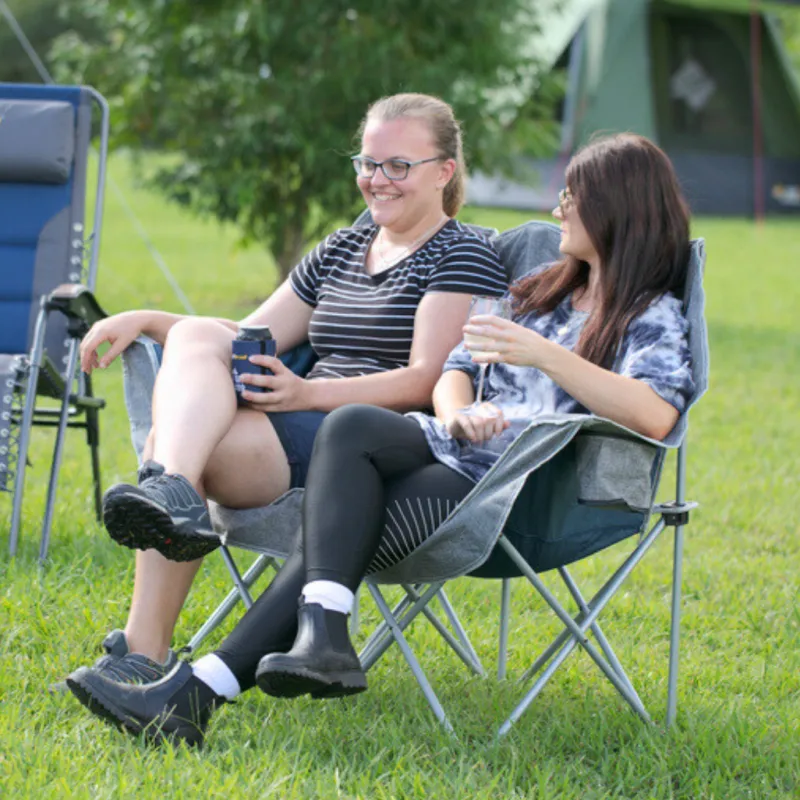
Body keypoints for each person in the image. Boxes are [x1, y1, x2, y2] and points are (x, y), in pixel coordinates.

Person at [66, 133, 695, 747]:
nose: (558, 207)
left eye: (572, 196)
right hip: (450, 443)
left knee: (343, 527)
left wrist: (548, 359)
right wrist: (457, 414)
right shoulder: (539, 292)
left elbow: (656, 414)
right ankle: (318, 634)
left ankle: (206, 688)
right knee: (352, 426)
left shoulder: (650, 313)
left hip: (514, 484)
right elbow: (456, 369)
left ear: (616, 207)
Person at [63, 93, 507, 689]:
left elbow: (425, 379)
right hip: (289, 420)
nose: (377, 180)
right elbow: (245, 334)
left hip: (357, 451)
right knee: (196, 339)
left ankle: (146, 642)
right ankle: (171, 496)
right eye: (366, 163)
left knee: (183, 449)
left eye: (397, 166)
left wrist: (303, 396)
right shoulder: (342, 248)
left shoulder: (463, 251)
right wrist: (145, 318)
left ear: (444, 172)